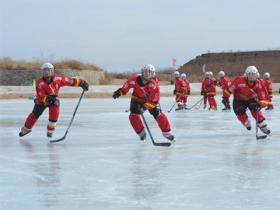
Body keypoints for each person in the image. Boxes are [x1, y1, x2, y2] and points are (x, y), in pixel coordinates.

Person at [19, 63, 89, 138]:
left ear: (52, 71)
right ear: (42, 71)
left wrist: (81, 83)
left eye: (49, 70)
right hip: (41, 101)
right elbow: (40, 95)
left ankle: (50, 131)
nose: (47, 72)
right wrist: (47, 98)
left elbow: (70, 81)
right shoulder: (39, 83)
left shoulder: (58, 79)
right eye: (45, 70)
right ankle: (26, 129)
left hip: (53, 100)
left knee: (55, 108)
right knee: (34, 115)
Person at [112, 64, 174, 141]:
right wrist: (119, 92)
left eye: (149, 72)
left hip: (150, 101)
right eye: (145, 72)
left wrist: (144, 107)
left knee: (158, 114)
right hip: (136, 99)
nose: (147, 74)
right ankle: (141, 133)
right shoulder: (134, 79)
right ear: (142, 73)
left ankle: (166, 132)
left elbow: (154, 101)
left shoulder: (154, 85)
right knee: (133, 115)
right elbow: (125, 87)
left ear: (153, 74)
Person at [224, 66, 270, 134]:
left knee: (255, 109)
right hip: (238, 100)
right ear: (246, 75)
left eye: (253, 75)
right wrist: (225, 97)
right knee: (239, 111)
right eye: (250, 75)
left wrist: (261, 104)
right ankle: (246, 122)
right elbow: (230, 88)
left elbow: (264, 96)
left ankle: (262, 125)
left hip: (251, 99)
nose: (251, 77)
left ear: (257, 75)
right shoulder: (239, 80)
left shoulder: (259, 83)